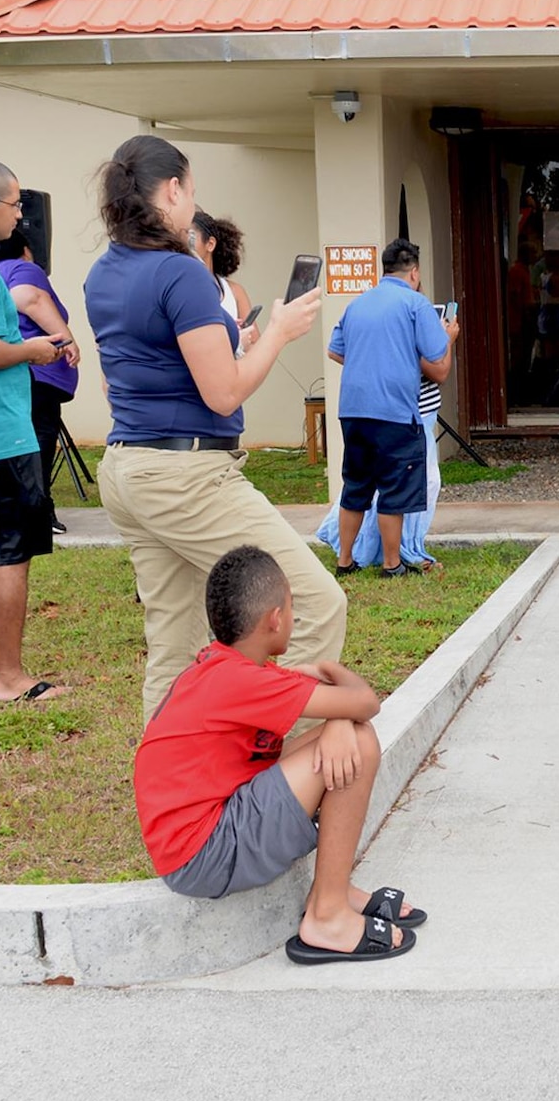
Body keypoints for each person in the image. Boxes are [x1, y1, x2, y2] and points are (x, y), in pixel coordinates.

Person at [84, 134, 339, 722]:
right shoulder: (183, 274)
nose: (193, 203)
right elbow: (222, 392)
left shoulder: (105, 272)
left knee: (175, 648)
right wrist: (277, 333)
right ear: (172, 190)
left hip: (129, 469)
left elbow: (144, 364)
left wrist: (239, 339)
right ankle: (283, 781)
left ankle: (175, 800)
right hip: (187, 475)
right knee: (314, 605)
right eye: (191, 190)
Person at [134, 545, 420, 964]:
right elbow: (363, 700)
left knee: (348, 734)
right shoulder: (241, 681)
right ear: (275, 619)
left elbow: (343, 703)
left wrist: (338, 719)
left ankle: (333, 892)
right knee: (358, 741)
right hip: (205, 853)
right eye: (291, 605)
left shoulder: (227, 666)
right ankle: (327, 917)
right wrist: (337, 701)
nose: (293, 614)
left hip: (206, 832)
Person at [0, 157, 68, 703]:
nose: (21, 216)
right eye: (16, 204)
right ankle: (8, 676)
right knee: (7, 555)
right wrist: (34, 350)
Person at [327, 238, 452, 577]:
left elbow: (335, 350)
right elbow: (437, 356)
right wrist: (449, 335)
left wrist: (372, 359)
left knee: (355, 486)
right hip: (394, 411)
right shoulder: (416, 304)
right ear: (414, 272)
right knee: (394, 490)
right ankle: (391, 563)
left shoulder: (358, 303)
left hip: (352, 409)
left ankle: (345, 561)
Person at [0, 228, 81, 534]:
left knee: (14, 440)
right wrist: (67, 339)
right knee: (40, 437)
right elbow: (28, 297)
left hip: (9, 370)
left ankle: (13, 507)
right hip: (38, 371)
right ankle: (39, 511)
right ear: (26, 249)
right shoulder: (24, 268)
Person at [189, 209, 252, 328]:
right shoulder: (178, 289)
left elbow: (254, 343)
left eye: (190, 238)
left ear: (210, 244)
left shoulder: (234, 292)